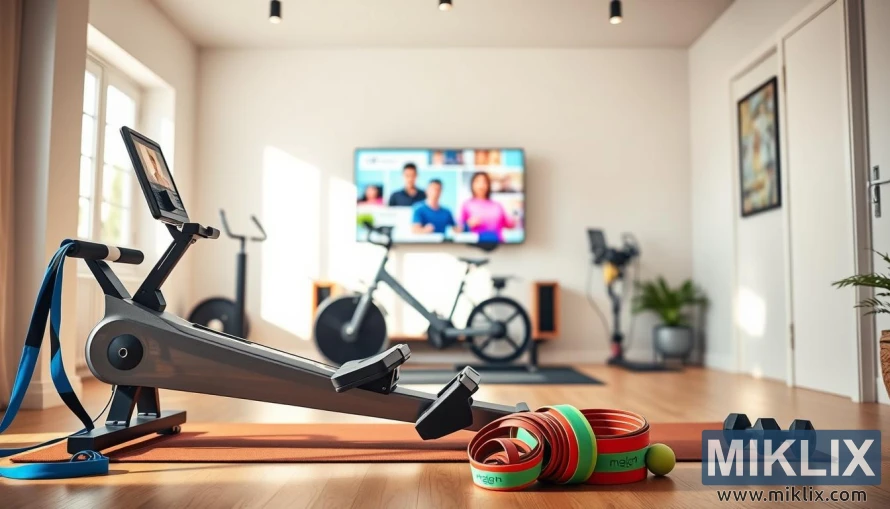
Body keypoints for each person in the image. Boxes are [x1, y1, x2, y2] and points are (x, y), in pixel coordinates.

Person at [459, 172, 515, 242]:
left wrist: (515, 218)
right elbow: (458, 229)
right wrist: (468, 224)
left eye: (484, 182)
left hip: (499, 246)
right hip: (476, 247)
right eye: (477, 181)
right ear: (472, 184)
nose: (481, 185)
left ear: (488, 185)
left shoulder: (497, 205)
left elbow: (510, 225)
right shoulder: (466, 205)